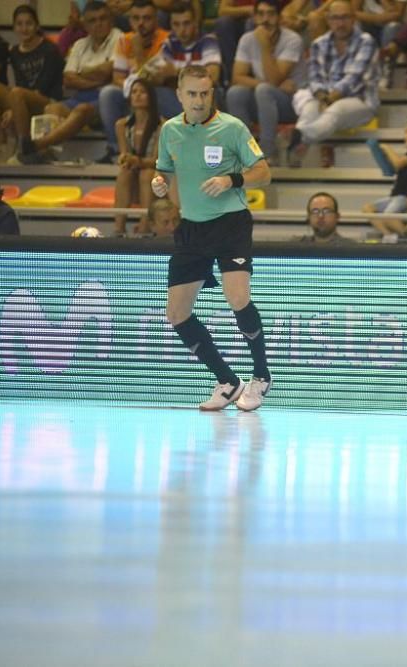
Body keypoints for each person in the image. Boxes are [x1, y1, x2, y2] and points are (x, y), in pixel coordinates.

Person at [150, 65, 273, 411]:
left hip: (231, 223)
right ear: (179, 95)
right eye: (192, 94)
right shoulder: (169, 130)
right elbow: (164, 171)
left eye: (205, 93)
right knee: (177, 313)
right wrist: (158, 183)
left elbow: (263, 173)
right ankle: (227, 381)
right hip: (192, 228)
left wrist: (230, 180)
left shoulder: (232, 128)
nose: (199, 100)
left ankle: (261, 376)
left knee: (237, 298)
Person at [11, 1, 122, 165]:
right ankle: (45, 153)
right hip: (79, 96)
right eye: (92, 20)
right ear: (85, 24)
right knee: (52, 108)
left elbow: (109, 71)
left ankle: (38, 145)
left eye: (102, 19)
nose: (98, 24)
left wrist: (82, 73)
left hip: (104, 98)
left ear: (110, 20)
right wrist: (97, 76)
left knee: (81, 109)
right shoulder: (79, 44)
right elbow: (68, 79)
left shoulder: (119, 37)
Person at [285, 1, 379, 168]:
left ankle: (300, 137)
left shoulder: (366, 41)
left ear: (353, 19)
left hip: (360, 100)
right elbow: (314, 78)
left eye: (344, 18)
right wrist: (322, 96)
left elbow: (354, 79)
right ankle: (295, 155)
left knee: (335, 111)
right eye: (335, 18)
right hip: (325, 97)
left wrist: (329, 100)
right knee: (309, 109)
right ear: (328, 20)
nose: (340, 23)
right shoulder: (318, 44)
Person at [0, 6, 64, 164]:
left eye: (29, 23)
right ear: (14, 27)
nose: (24, 28)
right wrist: (12, 107)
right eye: (19, 24)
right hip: (22, 96)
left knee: (17, 93)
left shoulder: (50, 49)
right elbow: (21, 83)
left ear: (37, 26)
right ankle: (3, 143)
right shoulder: (14, 52)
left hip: (47, 101)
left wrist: (14, 107)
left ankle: (25, 147)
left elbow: (42, 87)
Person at [226, 0, 304, 164]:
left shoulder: (292, 40)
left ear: (279, 17)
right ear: (254, 18)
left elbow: (275, 78)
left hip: (292, 103)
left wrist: (264, 45)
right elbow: (237, 78)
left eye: (270, 14)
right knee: (235, 93)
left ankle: (268, 152)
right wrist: (267, 84)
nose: (265, 19)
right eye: (260, 14)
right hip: (266, 101)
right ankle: (245, 150)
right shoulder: (247, 39)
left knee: (264, 90)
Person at [99, 0, 171, 161]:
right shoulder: (124, 40)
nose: (141, 23)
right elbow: (117, 78)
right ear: (130, 21)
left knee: (147, 92)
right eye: (136, 18)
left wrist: (138, 53)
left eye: (146, 18)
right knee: (108, 93)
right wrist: (134, 89)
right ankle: (117, 151)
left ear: (156, 20)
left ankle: (154, 155)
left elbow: (150, 81)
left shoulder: (167, 40)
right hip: (133, 92)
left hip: (159, 95)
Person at [114, 79, 162, 236]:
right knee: (124, 173)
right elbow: (124, 153)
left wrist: (138, 161)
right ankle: (119, 229)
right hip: (134, 173)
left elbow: (158, 161)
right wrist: (124, 159)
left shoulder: (162, 125)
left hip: (156, 174)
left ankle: (145, 225)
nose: (137, 95)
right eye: (134, 92)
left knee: (147, 173)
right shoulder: (121, 125)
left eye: (142, 92)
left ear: (150, 97)